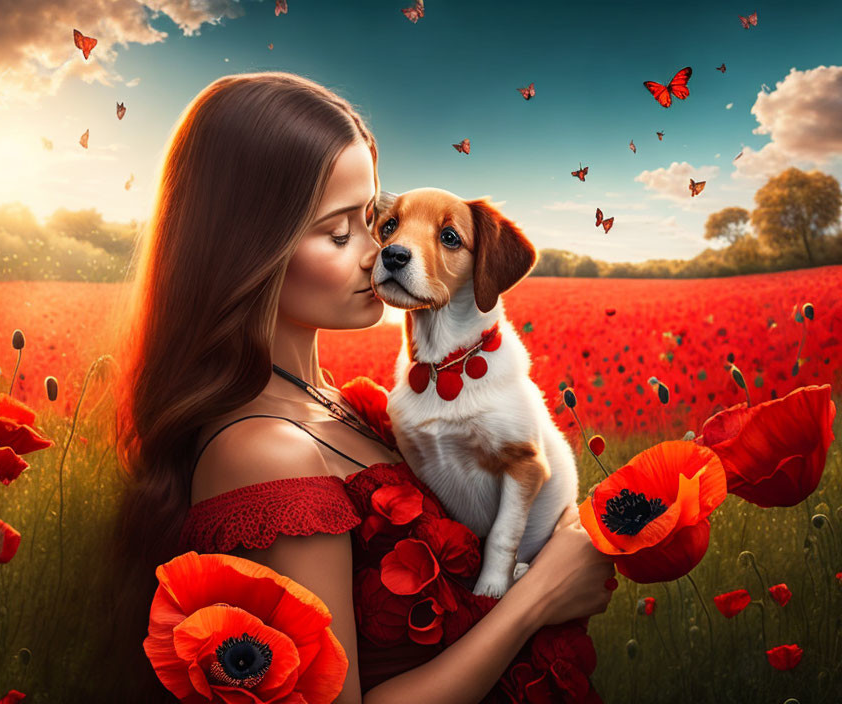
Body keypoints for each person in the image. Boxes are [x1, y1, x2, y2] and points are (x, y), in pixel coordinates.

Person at [103, 71, 616, 703]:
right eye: (340, 232)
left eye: (376, 219)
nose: (382, 252)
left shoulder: (349, 407)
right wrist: (537, 598)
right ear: (248, 248)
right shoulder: (267, 451)